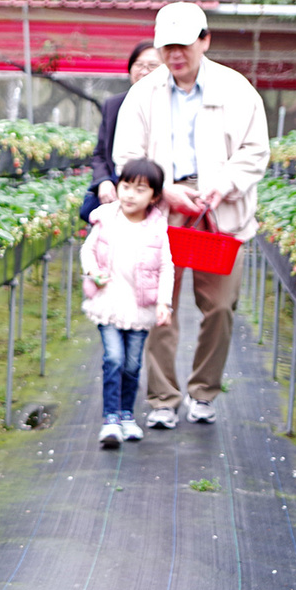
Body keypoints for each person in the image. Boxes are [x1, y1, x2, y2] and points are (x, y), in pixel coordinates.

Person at [112, 1, 270, 429]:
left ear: (205, 41)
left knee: (219, 305)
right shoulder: (144, 94)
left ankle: (204, 392)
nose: (174, 54)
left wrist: (225, 183)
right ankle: (163, 398)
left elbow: (256, 152)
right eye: (167, 46)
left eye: (183, 44)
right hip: (163, 206)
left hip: (221, 208)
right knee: (158, 304)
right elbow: (126, 154)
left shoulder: (237, 90)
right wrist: (165, 191)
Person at [81, 158, 174, 448]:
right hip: (108, 302)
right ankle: (110, 420)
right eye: (126, 186)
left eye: (140, 189)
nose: (130, 194)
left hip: (139, 308)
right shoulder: (106, 217)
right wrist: (94, 272)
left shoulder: (158, 228)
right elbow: (88, 250)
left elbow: (166, 267)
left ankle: (126, 415)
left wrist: (164, 303)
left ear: (154, 196)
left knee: (132, 364)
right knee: (114, 359)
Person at [79, 42, 163, 223]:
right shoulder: (114, 105)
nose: (144, 71)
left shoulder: (170, 105)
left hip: (159, 199)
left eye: (152, 66)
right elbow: (100, 153)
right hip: (121, 197)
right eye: (139, 65)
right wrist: (103, 181)